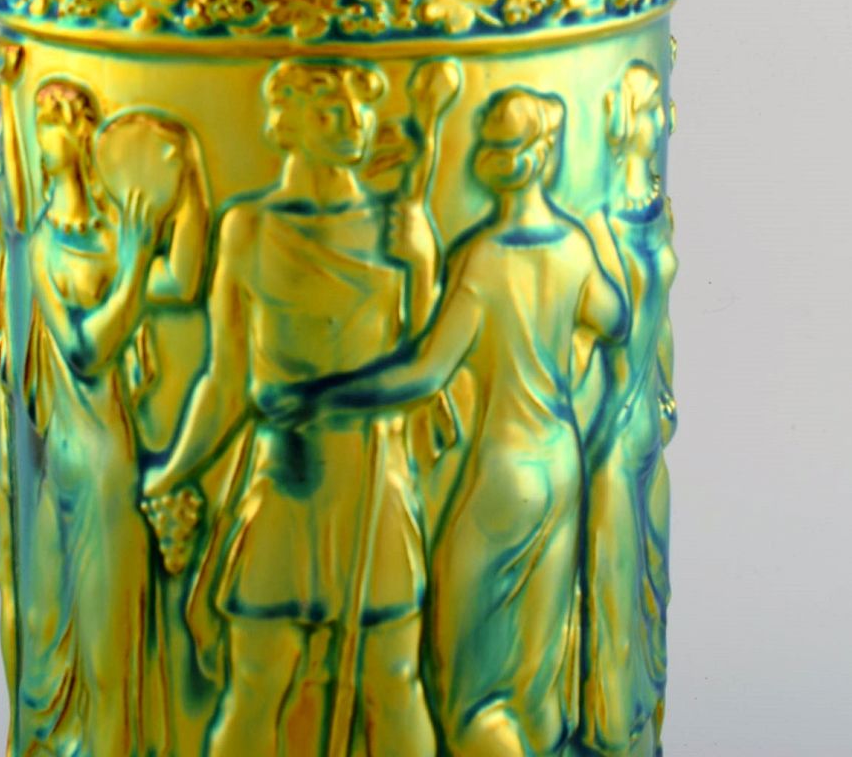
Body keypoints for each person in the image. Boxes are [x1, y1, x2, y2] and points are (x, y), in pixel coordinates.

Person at [273, 87, 629, 757]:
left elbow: (422, 373)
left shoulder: (487, 258)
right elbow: (614, 321)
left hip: (502, 478)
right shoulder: (574, 247)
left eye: (496, 146)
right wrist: (572, 347)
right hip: (562, 465)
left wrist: (324, 396)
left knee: (469, 703)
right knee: (534, 690)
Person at [143, 58, 437, 757]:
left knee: (392, 679)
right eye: (332, 111)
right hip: (284, 478)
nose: (355, 126)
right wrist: (173, 469)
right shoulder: (248, 228)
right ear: (289, 124)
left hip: (373, 475)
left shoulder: (396, 228)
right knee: (257, 679)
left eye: (361, 109)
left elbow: (429, 374)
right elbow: (225, 382)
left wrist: (424, 267)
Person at [19, 80, 205, 757]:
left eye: (54, 122)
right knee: (48, 624)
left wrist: (190, 184)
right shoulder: (45, 244)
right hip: (63, 458)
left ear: (81, 138)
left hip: (105, 465)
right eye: (39, 121)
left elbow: (182, 282)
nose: (42, 137)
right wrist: (132, 264)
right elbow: (85, 348)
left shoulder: (106, 236)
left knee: (108, 650)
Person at [579, 62, 679, 757]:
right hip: (610, 437)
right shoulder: (596, 222)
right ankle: (609, 730)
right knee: (613, 604)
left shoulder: (651, 204)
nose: (662, 121)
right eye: (648, 112)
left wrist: (663, 383)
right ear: (621, 124)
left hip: (647, 425)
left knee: (648, 587)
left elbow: (658, 316)